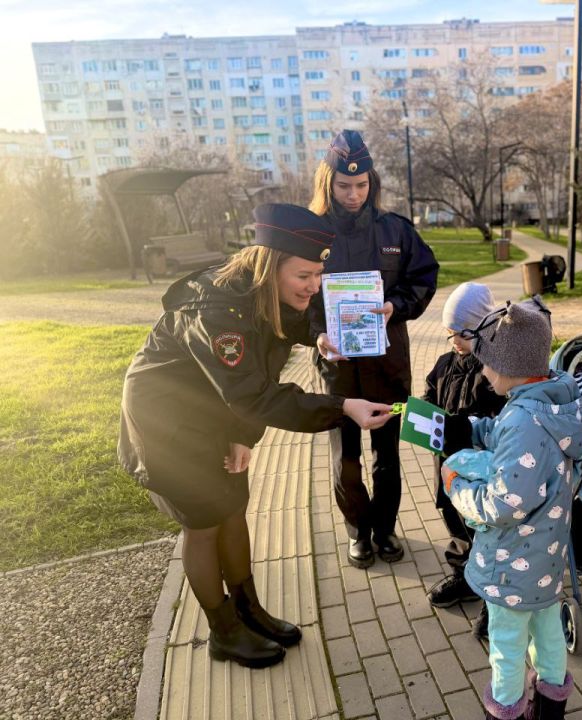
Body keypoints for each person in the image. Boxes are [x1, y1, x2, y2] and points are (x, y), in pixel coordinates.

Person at [118, 204, 394, 669]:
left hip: (214, 408)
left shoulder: (259, 288)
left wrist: (320, 337)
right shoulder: (219, 310)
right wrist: (341, 406)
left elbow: (277, 335)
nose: (314, 285)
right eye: (304, 275)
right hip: (168, 423)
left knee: (233, 508)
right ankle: (223, 632)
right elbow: (253, 393)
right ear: (271, 264)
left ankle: (249, 610)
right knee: (204, 524)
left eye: (319, 274)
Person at [440, 297, 582, 720]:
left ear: (508, 365)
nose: (483, 370)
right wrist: (469, 428)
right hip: (546, 558)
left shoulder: (525, 418)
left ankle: (506, 710)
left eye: (487, 363)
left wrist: (457, 487)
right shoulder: (555, 397)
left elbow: (503, 502)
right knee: (547, 635)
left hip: (511, 564)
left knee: (506, 648)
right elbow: (512, 435)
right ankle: (549, 710)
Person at [308, 129, 439, 569]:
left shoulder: (395, 230)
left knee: (387, 453)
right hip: (336, 368)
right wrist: (316, 335)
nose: (353, 194)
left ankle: (384, 528)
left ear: (372, 183)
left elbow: (423, 277)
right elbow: (297, 296)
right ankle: (357, 531)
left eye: (361, 185)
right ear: (328, 183)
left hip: (386, 364)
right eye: (344, 186)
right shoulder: (310, 235)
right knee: (345, 456)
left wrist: (393, 306)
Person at [422, 282, 506, 639]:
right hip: (448, 465)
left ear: (482, 328)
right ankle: (464, 574)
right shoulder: (444, 364)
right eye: (449, 333)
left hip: (482, 469)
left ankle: (493, 597)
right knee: (454, 521)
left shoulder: (496, 370)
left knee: (484, 530)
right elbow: (429, 397)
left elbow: (500, 416)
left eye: (460, 333)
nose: (454, 340)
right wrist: (417, 415)